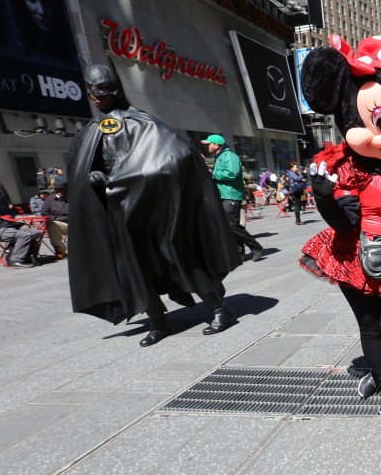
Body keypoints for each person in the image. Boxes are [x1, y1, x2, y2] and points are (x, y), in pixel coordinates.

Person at [299, 35, 381, 417]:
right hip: (353, 254)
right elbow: (343, 223)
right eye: (380, 120)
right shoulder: (345, 168)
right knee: (371, 328)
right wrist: (325, 197)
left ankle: (378, 372)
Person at [67, 63, 242, 346]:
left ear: (115, 89)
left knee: (179, 256)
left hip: (154, 209)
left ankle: (220, 310)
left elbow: (179, 156)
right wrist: (92, 176)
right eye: (91, 91)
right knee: (134, 267)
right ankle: (158, 322)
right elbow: (82, 171)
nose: (96, 96)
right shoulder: (90, 131)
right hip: (118, 213)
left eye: (102, 90)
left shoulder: (142, 122)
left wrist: (135, 178)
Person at [202, 134, 265, 262]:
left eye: (209, 144)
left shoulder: (229, 156)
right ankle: (239, 254)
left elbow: (232, 174)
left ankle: (256, 247)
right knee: (231, 225)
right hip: (224, 194)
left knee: (231, 225)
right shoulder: (219, 156)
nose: (207, 146)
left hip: (231, 194)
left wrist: (213, 173)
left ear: (216, 145)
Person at [41, 177, 68, 259]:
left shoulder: (73, 197)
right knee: (51, 225)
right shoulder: (50, 199)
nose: (59, 191)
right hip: (59, 224)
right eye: (57, 189)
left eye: (62, 189)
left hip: (75, 224)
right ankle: (61, 250)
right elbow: (44, 213)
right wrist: (55, 218)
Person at [287, 160, 306, 225]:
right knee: (297, 206)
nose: (297, 168)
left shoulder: (295, 173)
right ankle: (298, 221)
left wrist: (302, 178)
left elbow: (299, 179)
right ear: (291, 168)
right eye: (296, 167)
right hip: (294, 191)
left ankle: (298, 220)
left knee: (298, 205)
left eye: (297, 167)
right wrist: (302, 175)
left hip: (297, 190)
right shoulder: (291, 173)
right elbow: (297, 179)